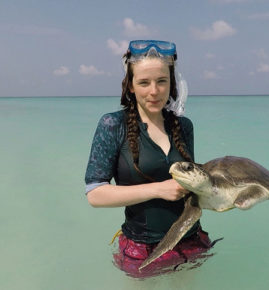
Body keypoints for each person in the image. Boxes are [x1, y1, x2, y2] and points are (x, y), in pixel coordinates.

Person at [85, 40, 214, 278]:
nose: (154, 91)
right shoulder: (113, 125)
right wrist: (158, 189)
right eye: (144, 82)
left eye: (161, 81)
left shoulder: (184, 126)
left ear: (171, 83)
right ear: (131, 86)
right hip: (143, 249)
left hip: (191, 240)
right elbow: (95, 194)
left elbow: (192, 184)